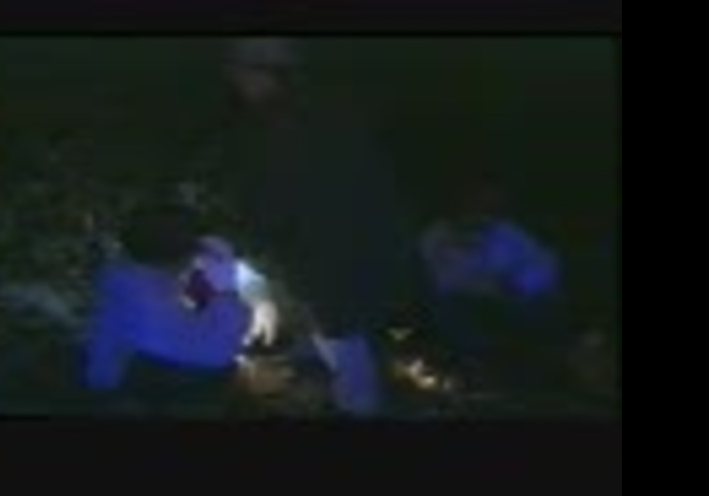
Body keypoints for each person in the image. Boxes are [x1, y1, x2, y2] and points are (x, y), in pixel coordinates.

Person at [179, 38, 424, 417]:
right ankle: (327, 387)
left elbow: (282, 199)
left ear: (267, 75)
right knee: (332, 331)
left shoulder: (290, 125)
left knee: (342, 338)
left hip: (332, 252)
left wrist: (240, 236)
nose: (236, 82)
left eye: (241, 73)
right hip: (333, 249)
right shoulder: (307, 115)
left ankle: (356, 403)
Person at [83, 200, 252, 417]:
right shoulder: (208, 290)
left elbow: (103, 357)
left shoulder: (118, 281)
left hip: (142, 390)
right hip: (198, 388)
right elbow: (226, 329)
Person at [417, 176, 564, 397]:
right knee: (446, 309)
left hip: (512, 303)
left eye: (482, 203)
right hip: (464, 305)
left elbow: (544, 267)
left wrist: (517, 286)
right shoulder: (435, 237)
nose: (475, 209)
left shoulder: (508, 233)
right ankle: (480, 372)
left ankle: (540, 373)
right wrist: (478, 280)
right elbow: (437, 280)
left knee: (543, 305)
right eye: (469, 201)